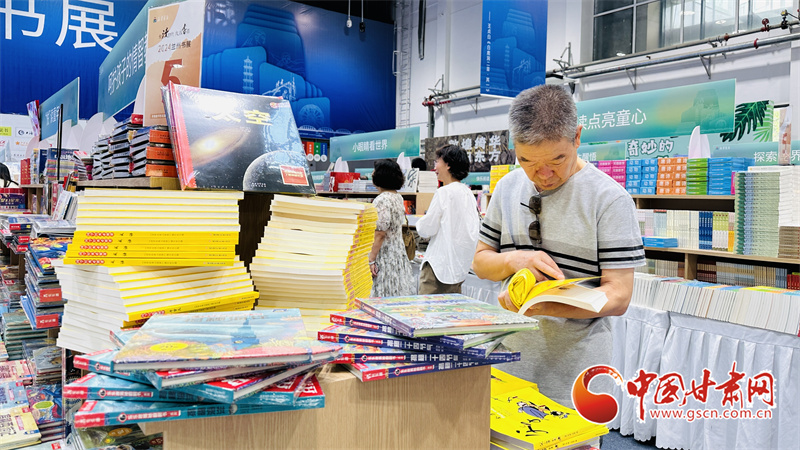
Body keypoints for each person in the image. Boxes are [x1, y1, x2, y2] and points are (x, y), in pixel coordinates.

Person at [472, 85, 645, 408]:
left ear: (577, 137)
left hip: (576, 369)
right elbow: (481, 261)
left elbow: (619, 295)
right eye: (527, 160)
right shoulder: (508, 187)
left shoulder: (609, 199)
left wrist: (545, 305)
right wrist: (516, 260)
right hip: (509, 359)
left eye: (557, 159)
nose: (543, 174)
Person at [415, 145, 480, 294]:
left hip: (438, 266)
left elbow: (427, 229)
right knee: (451, 307)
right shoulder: (468, 193)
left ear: (448, 164)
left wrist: (420, 223)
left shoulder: (443, 192)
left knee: (427, 307)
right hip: (459, 268)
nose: (435, 167)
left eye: (437, 161)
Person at [368, 159, 416, 297]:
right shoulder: (397, 197)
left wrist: (371, 259)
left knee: (382, 294)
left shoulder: (382, 200)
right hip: (397, 253)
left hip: (384, 256)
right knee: (396, 293)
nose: (372, 174)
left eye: (374, 171)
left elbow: (380, 234)